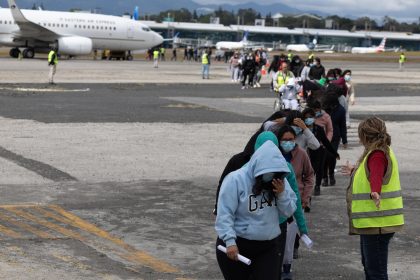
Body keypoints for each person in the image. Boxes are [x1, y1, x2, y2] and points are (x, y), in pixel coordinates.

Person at [215, 141, 297, 280]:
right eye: (267, 173)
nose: (270, 177)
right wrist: (230, 242)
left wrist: (282, 194)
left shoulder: (280, 181)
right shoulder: (235, 179)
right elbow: (225, 214)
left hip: (268, 245)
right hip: (238, 244)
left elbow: (289, 212)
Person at [342, 117, 404, 280]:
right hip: (375, 222)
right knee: (370, 266)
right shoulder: (380, 151)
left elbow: (376, 174)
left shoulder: (377, 154)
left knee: (376, 271)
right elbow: (372, 172)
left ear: (364, 136)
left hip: (377, 222)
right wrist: (355, 171)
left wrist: (375, 191)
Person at [302, 108, 340, 196]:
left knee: (319, 169)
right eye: (306, 117)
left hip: (318, 152)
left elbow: (325, 141)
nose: (308, 119)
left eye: (310, 117)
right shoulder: (300, 130)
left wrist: (334, 153)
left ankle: (317, 186)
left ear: (314, 117)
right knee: (308, 172)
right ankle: (307, 190)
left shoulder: (318, 128)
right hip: (306, 153)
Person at [322, 93, 347, 187]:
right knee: (324, 157)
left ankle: (331, 174)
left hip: (335, 136)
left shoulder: (341, 110)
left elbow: (342, 126)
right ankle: (324, 177)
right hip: (323, 136)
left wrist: (345, 140)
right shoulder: (323, 110)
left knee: (331, 156)